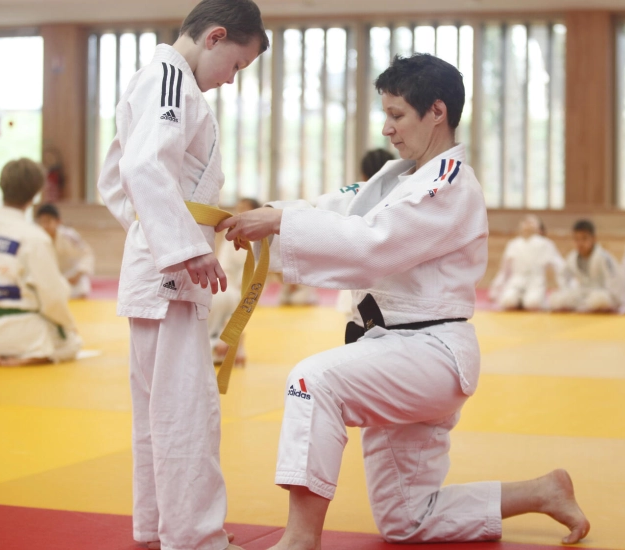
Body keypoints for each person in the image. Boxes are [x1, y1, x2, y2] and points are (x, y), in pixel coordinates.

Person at [220, 53, 590, 549]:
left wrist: (282, 224)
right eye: (386, 114)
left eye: (397, 115)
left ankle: (299, 539)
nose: (387, 128)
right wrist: (268, 213)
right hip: (390, 352)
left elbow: (377, 241)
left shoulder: (449, 183)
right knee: (407, 519)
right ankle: (543, 491)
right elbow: (336, 207)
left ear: (436, 111)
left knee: (313, 382)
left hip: (429, 353)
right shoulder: (397, 177)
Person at [95, 0, 268, 548]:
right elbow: (142, 168)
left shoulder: (159, 80)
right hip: (170, 273)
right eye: (237, 66)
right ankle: (195, 538)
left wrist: (155, 236)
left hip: (158, 268)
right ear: (215, 37)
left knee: (157, 412)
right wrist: (183, 248)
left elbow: (115, 179)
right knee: (185, 410)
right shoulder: (170, 79)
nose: (231, 80)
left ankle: (157, 528)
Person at [0, 158, 82, 366]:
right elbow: (52, 296)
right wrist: (69, 325)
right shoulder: (34, 237)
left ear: (2, 187)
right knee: (73, 343)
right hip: (26, 333)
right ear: (35, 193)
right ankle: (29, 355)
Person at [336, 149, 397, 319]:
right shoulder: (402, 201)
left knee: (355, 326)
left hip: (359, 278)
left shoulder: (353, 203)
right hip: (394, 283)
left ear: (362, 175)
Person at [209, 197, 259, 364]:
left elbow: (258, 268)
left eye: (245, 208)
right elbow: (223, 263)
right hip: (226, 284)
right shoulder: (231, 233)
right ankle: (224, 345)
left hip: (246, 287)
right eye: (239, 208)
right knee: (219, 308)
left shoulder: (260, 236)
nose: (241, 212)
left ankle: (221, 344)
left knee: (229, 312)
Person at [489, 215, 563, 311]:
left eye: (532, 222)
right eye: (525, 221)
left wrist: (567, 287)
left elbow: (559, 266)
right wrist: (495, 289)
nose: (528, 224)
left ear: (539, 227)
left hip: (536, 282)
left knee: (532, 303)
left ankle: (529, 299)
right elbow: (504, 271)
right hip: (516, 281)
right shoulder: (513, 244)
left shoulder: (546, 244)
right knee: (508, 301)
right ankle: (518, 299)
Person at [548, 220, 622, 313]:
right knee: (555, 300)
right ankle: (583, 306)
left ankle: (585, 306)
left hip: (600, 292)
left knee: (599, 300)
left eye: (584, 239)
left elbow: (614, 280)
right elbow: (563, 276)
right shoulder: (572, 257)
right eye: (576, 239)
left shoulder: (604, 257)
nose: (580, 243)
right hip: (582, 292)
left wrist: (614, 299)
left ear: (593, 238)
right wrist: (567, 289)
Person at [35, 204, 96, 299]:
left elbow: (86, 254)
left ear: (58, 221)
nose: (45, 225)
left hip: (73, 275)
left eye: (48, 221)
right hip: (52, 277)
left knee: (81, 291)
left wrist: (78, 274)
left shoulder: (69, 235)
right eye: (42, 222)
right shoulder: (37, 237)